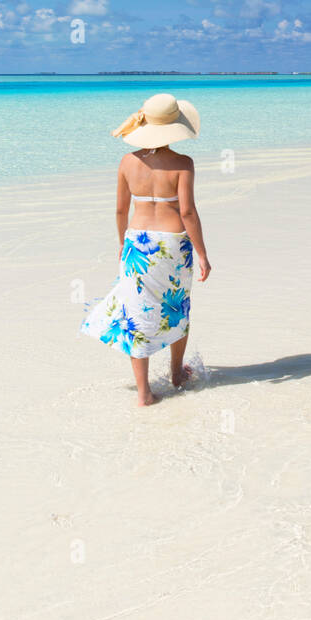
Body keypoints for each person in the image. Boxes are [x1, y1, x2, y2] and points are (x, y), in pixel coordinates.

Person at [80, 93, 211, 406]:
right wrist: (203, 254)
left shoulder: (128, 162)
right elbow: (188, 212)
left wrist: (123, 246)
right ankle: (177, 374)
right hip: (172, 245)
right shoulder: (183, 164)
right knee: (177, 308)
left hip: (138, 244)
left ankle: (144, 394)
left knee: (137, 315)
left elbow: (119, 210)